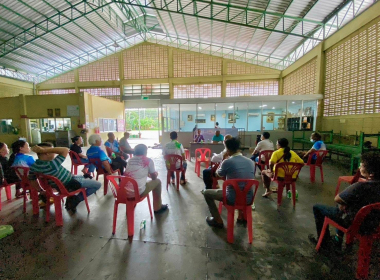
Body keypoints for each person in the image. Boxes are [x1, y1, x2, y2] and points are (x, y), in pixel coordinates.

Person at [309, 152, 380, 249]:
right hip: (374, 224)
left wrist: (343, 204)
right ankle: (338, 237)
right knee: (342, 206)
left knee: (317, 207)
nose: (360, 166)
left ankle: (324, 242)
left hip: (356, 224)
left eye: (362, 164)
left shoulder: (360, 186)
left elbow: (337, 198)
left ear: (371, 174)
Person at [30, 143, 101, 213]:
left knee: (82, 176)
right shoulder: (51, 164)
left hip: (62, 183)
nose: (55, 154)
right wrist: (44, 150)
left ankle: (83, 178)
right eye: (53, 151)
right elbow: (65, 150)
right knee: (97, 184)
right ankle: (76, 199)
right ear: (46, 153)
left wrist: (40, 190)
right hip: (69, 184)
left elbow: (32, 179)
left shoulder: (34, 166)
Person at [202, 137, 255, 228]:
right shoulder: (250, 161)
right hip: (249, 198)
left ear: (227, 149)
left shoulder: (227, 161)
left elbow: (217, 175)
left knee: (206, 193)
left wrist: (223, 160)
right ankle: (241, 216)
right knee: (241, 186)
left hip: (232, 198)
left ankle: (217, 220)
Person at [124, 144, 168, 213]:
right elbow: (154, 178)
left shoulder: (130, 160)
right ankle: (157, 207)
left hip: (124, 192)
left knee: (133, 182)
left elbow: (132, 173)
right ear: (145, 152)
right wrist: (155, 173)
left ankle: (130, 208)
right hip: (138, 192)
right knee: (157, 182)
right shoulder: (148, 160)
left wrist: (146, 173)